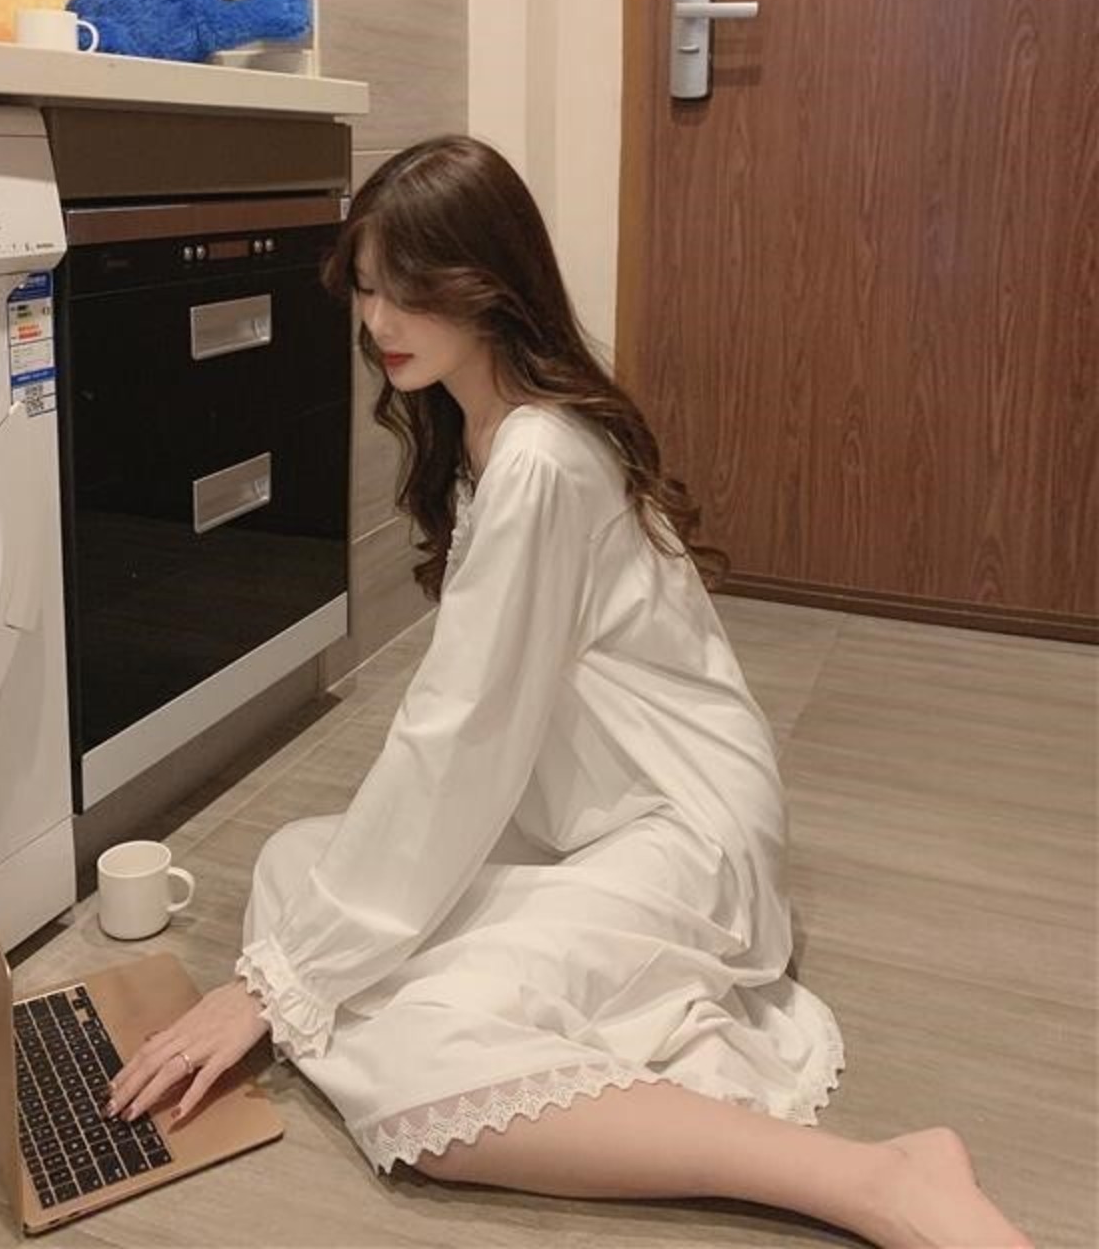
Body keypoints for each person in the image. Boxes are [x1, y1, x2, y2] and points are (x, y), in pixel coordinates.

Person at [108, 136, 1031, 1249]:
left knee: (408, 1046)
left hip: (678, 826)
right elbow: (469, 737)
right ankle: (396, 1008)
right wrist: (293, 978)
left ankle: (874, 1178)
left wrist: (277, 989)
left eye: (412, 288)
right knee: (294, 863)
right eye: (366, 286)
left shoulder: (540, 455)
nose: (380, 320)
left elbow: (459, 733)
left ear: (488, 283)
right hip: (582, 807)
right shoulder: (489, 426)